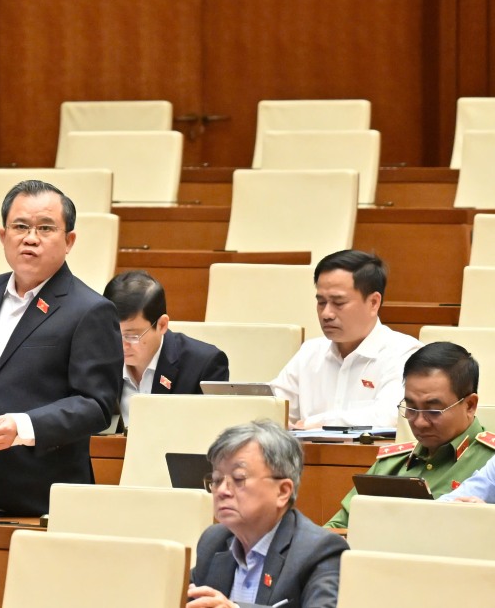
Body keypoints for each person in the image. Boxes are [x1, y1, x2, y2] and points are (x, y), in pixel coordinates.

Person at [0, 179, 122, 515]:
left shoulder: (90, 309)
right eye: (20, 226)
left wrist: (23, 426)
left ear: (69, 241)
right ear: (4, 236)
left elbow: (97, 405)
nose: (30, 237)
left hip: (45, 493)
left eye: (45, 228)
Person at [325, 342, 493, 526]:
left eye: (434, 410)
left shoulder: (489, 462)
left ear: (470, 405)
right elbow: (338, 527)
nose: (419, 422)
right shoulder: (391, 464)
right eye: (411, 408)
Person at [188, 420, 348, 608]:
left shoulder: (319, 550)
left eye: (239, 479)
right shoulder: (214, 541)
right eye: (216, 479)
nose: (222, 491)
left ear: (282, 491)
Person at [270, 250, 421, 428]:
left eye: (338, 303)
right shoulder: (310, 352)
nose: (326, 314)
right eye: (321, 302)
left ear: (373, 302)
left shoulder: (405, 353)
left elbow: (391, 416)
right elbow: (273, 408)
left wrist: (316, 423)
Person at [103, 270, 229, 425]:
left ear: (162, 325)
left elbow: (210, 433)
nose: (121, 345)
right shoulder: (96, 357)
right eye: (113, 332)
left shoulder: (205, 365)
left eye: (132, 336)